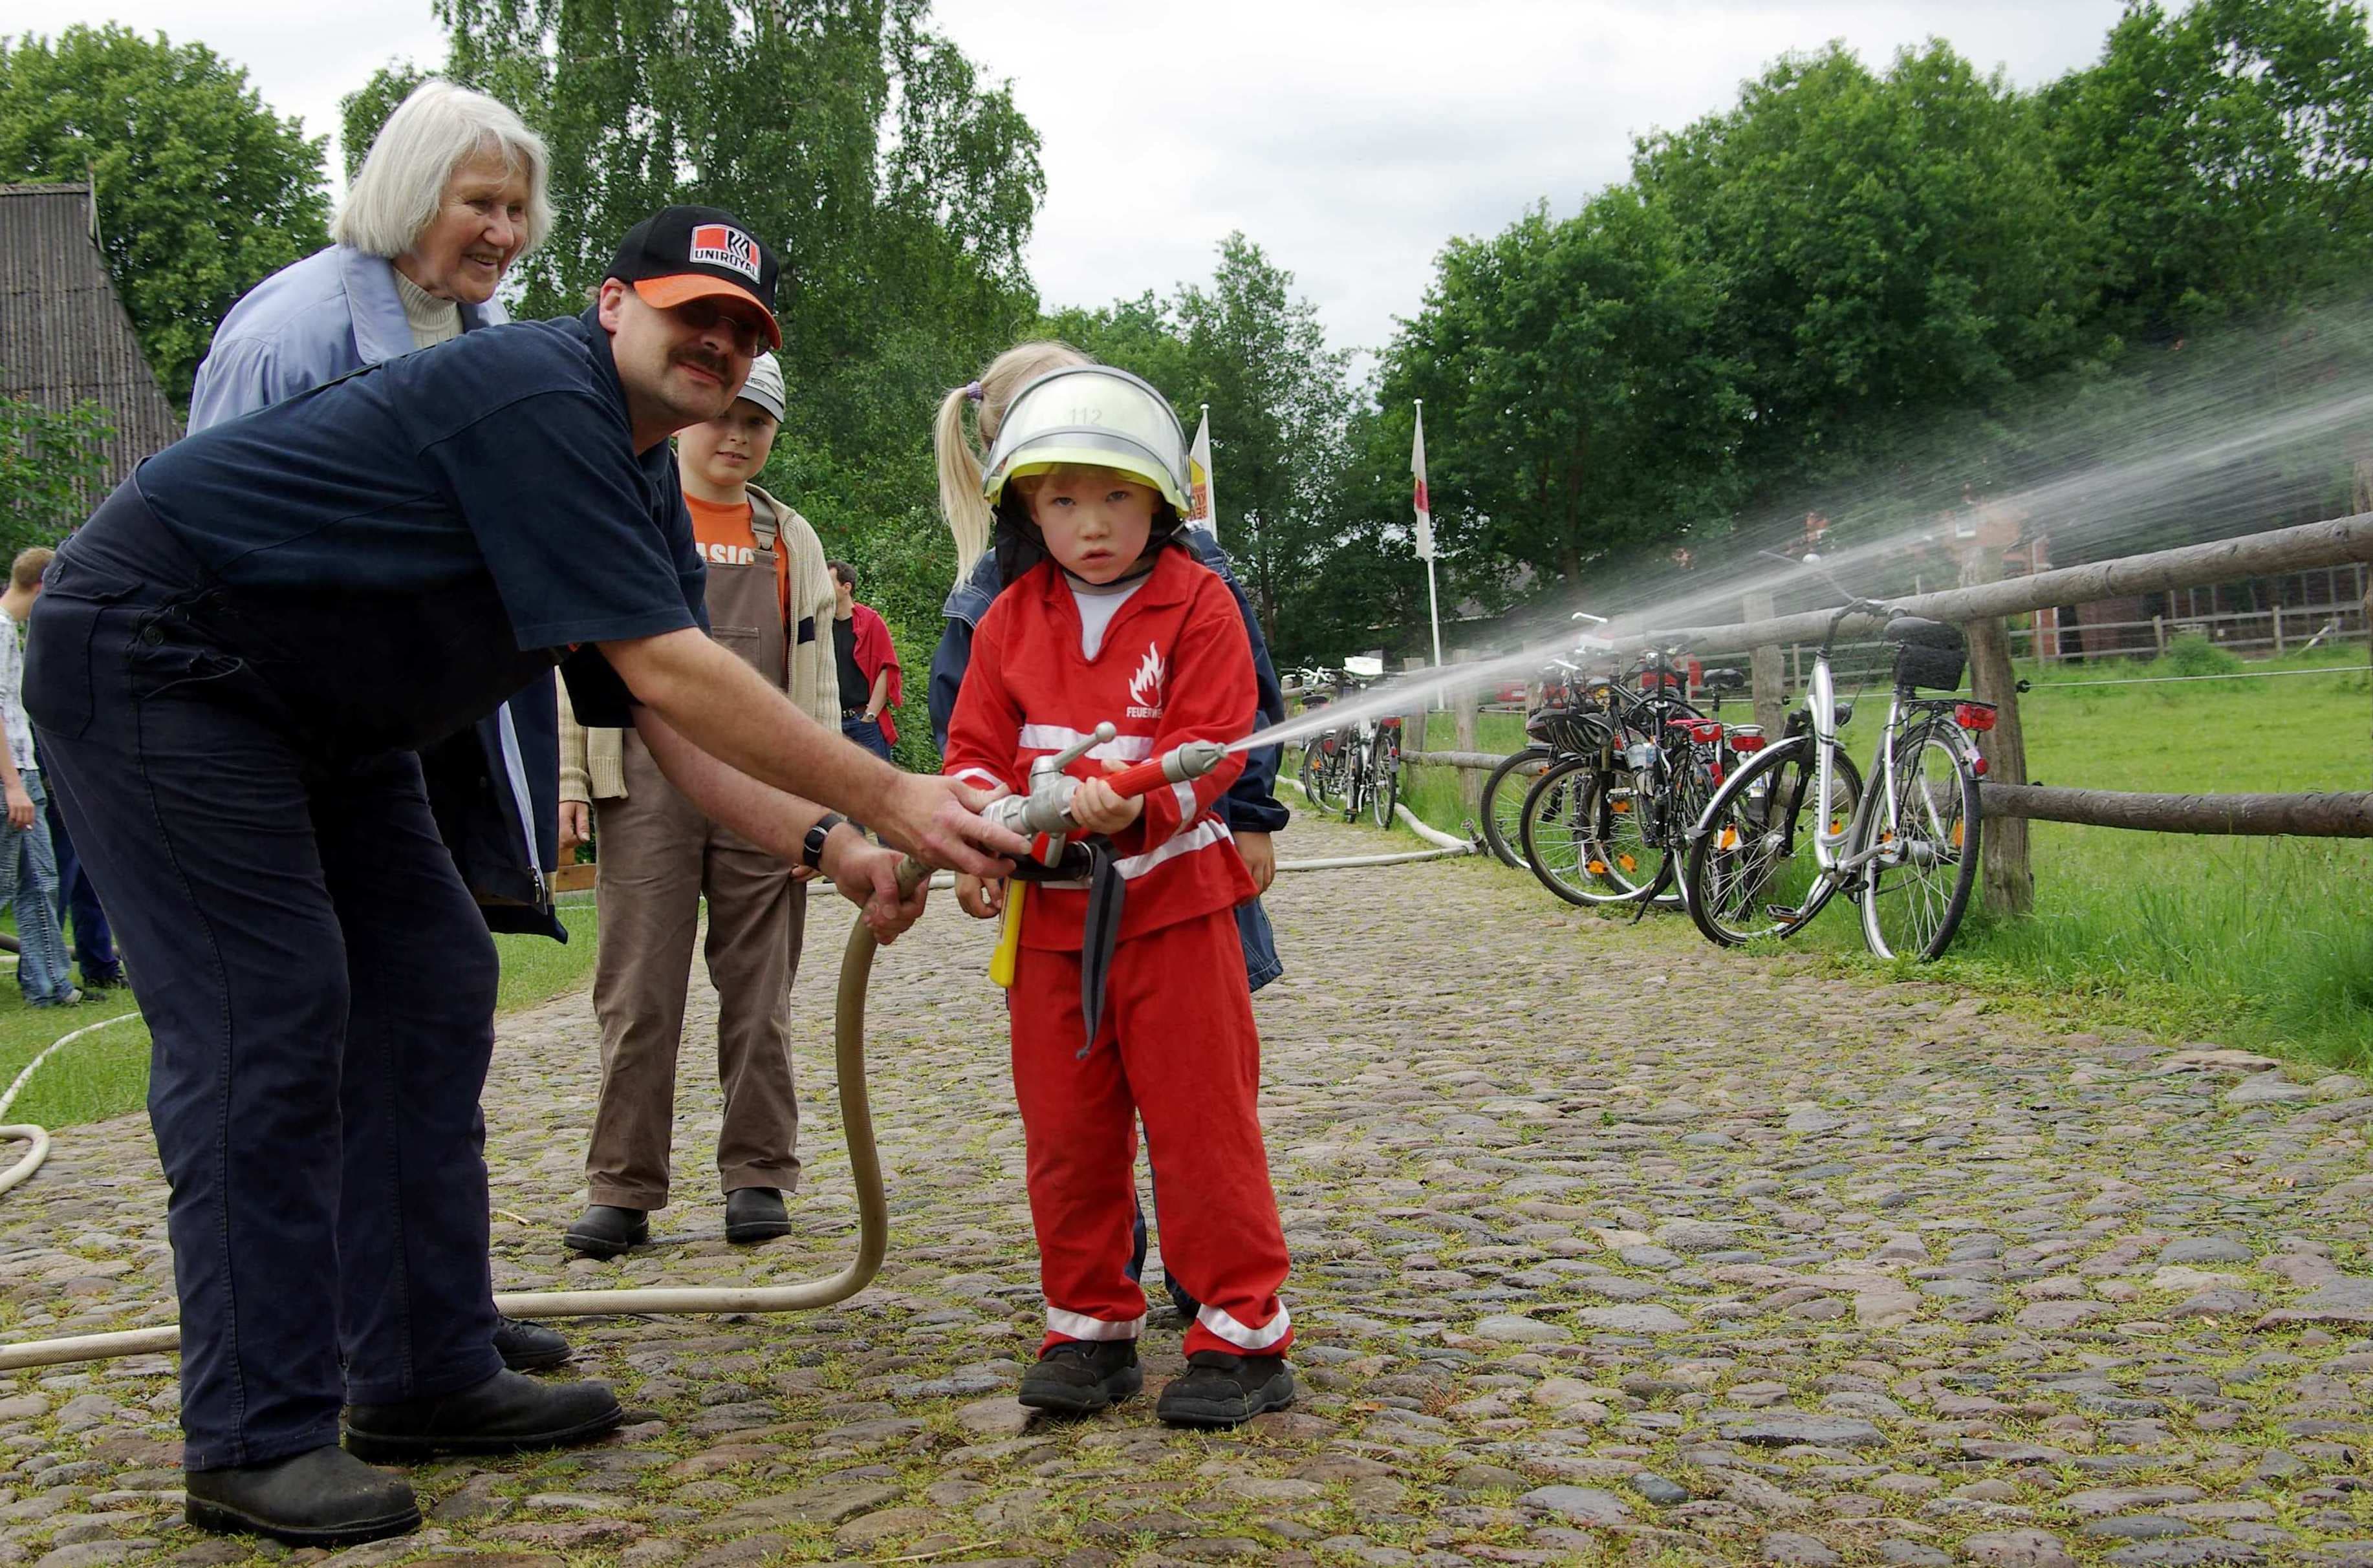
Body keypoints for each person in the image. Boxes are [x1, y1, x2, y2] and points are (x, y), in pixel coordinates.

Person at [28, 204, 1022, 1548]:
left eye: (743, 332)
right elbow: (676, 670)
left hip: (331, 711)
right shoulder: (539, 400)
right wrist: (893, 789)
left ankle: (422, 1371)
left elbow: (666, 721)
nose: (717, 347)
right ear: (613, 304)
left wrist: (832, 849)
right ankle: (254, 1437)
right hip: (161, 658)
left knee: (433, 982)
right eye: (692, 315)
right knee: (268, 1015)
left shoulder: (645, 476)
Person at [186, 77, 573, 1375]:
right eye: (482, 202)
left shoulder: (476, 334)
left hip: (382, 727)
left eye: (519, 207)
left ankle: (428, 1313)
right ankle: (338, 1352)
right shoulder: (289, 329)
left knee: (437, 984)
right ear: (411, 192)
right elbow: (203, 536)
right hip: (252, 721)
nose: (506, 232)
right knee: (303, 1020)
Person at [941, 363, 1296, 1429]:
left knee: (1201, 1129)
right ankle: (1089, 1328)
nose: (1088, 523)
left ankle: (1239, 1336)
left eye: (1113, 496)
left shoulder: (1200, 604)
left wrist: (1126, 810)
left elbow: (1214, 748)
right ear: (1023, 507)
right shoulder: (1008, 620)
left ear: (1158, 502)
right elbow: (968, 749)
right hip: (1049, 928)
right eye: (1060, 500)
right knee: (1066, 1134)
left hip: (1176, 916)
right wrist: (976, 837)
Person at [558, 350, 841, 1256]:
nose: (736, 435)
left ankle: (758, 1172)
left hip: (764, 791)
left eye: (756, 422)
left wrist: (824, 808)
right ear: (686, 418)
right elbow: (571, 659)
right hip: (642, 779)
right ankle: (622, 1185)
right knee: (639, 994)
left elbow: (818, 683)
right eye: (723, 414)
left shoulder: (788, 535)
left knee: (761, 995)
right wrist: (570, 778)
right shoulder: (630, 513)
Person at [0, 548, 76, 1009]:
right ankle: (50, 984)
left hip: (23, 769)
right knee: (9, 883)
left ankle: (49, 986)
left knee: (39, 880)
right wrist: (13, 784)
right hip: (11, 777)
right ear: (42, 586)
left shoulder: (12, 632)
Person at [829, 561, 901, 762]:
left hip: (863, 723)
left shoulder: (870, 622)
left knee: (878, 790)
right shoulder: (821, 623)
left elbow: (887, 669)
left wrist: (870, 716)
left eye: (828, 582)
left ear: (846, 588)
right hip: (830, 723)